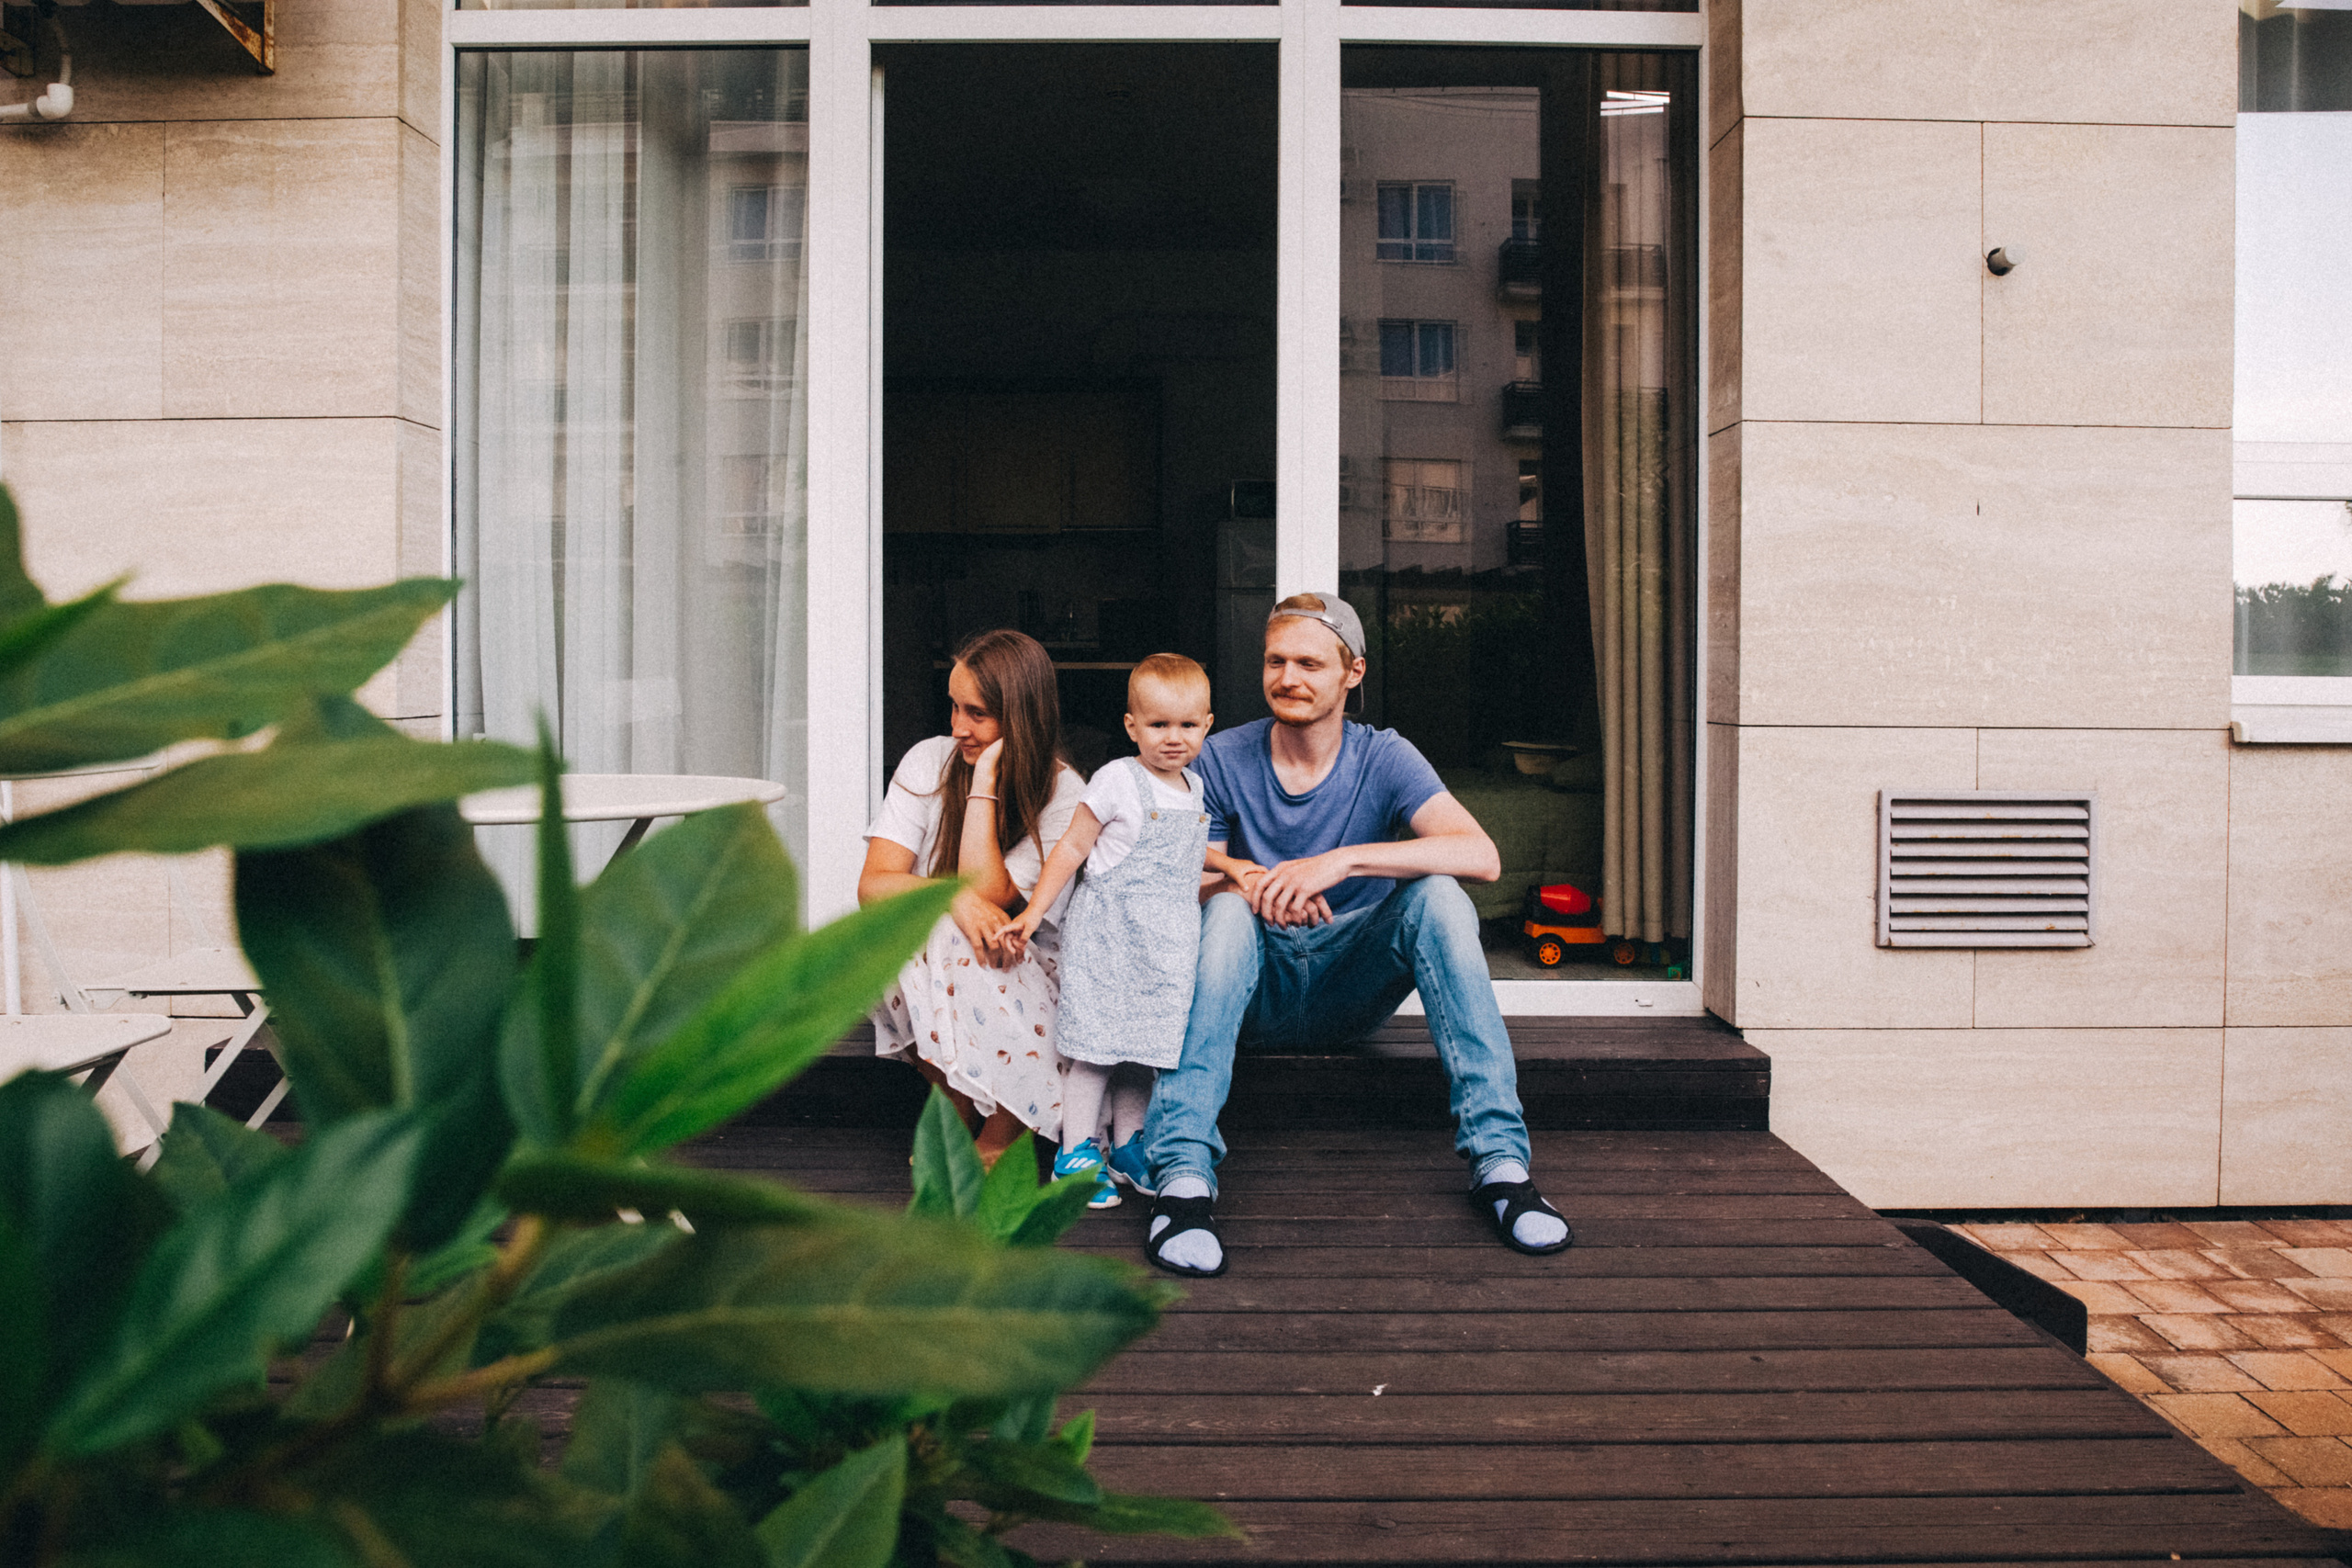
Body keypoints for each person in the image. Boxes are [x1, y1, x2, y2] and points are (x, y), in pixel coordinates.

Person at [1131, 592, 1574, 1278]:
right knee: (1223, 910)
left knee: (1439, 898)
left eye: (1309, 662)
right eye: (1276, 660)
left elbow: (1480, 855)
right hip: (1255, 987)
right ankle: (1182, 1177)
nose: (1288, 677)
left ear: (1353, 673)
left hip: (1350, 981)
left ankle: (1502, 1166)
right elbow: (1181, 882)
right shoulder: (1219, 757)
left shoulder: (1386, 757)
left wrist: (1343, 861)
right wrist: (1262, 887)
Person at [859, 628, 1088, 1167]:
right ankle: (955, 1100)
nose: (958, 727)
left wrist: (986, 778)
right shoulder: (928, 761)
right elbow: (874, 886)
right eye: (954, 707)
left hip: (1026, 971)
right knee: (894, 934)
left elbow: (992, 901)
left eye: (977, 713)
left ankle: (1009, 1123)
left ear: (1021, 720)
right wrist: (951, 899)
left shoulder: (1065, 793)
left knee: (951, 932)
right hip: (953, 952)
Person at [1004, 653, 1215, 1211]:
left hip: (1164, 949)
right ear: (1131, 727)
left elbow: (1185, 866)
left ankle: (1127, 1146)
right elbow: (1072, 848)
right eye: (1158, 725)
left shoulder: (1194, 789)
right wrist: (1032, 912)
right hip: (1110, 942)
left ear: (1207, 725)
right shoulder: (1118, 779)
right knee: (1096, 1051)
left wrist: (1234, 870)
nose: (1174, 738)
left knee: (1141, 1052)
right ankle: (1076, 1155)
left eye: (1187, 725)